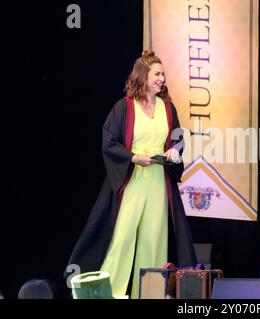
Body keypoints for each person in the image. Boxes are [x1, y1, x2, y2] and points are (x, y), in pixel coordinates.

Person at [66, 50, 197, 299]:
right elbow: (109, 142)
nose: (162, 79)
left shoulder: (167, 108)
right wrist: (134, 157)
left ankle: (150, 294)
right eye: (157, 74)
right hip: (132, 179)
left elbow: (179, 138)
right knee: (122, 240)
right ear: (143, 76)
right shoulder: (124, 107)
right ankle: (107, 294)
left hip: (158, 180)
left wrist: (174, 151)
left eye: (163, 74)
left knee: (154, 241)